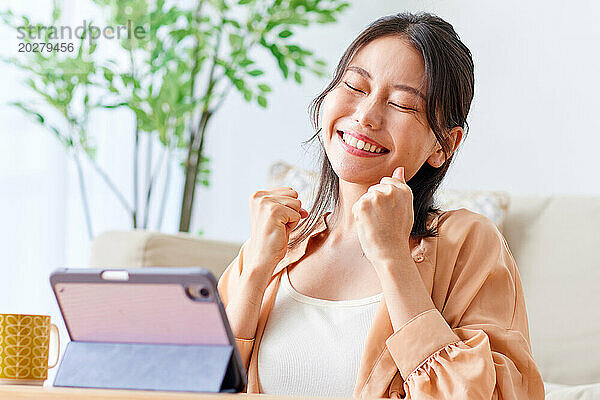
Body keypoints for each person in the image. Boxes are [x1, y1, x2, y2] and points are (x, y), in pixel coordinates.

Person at [218, 12, 545, 399]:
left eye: (402, 105)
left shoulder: (470, 242)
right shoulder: (277, 244)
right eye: (355, 86)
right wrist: (256, 270)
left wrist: (393, 257)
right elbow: (190, 388)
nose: (366, 115)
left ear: (444, 144)